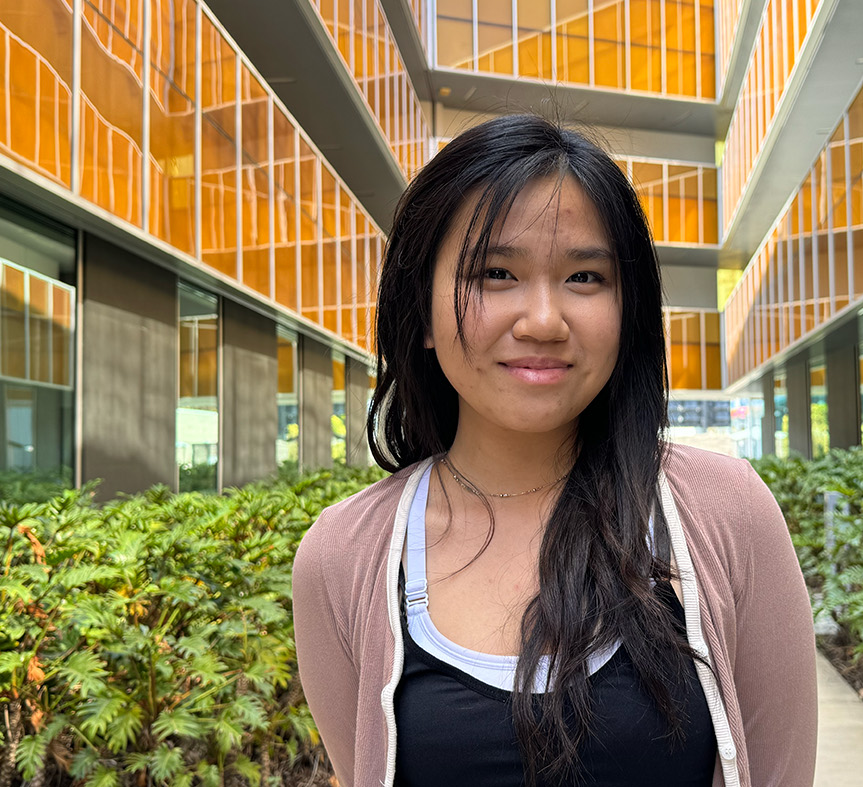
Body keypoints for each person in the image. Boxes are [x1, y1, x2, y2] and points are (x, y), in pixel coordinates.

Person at [291, 114, 817, 787]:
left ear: (629, 311)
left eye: (585, 278)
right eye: (496, 272)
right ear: (421, 312)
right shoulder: (344, 555)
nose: (543, 320)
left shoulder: (728, 514)